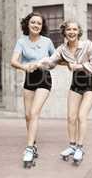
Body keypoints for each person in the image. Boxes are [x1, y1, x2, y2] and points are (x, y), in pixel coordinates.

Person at [38, 20, 92, 164]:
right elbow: (51, 62)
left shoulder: (87, 45)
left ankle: (80, 147)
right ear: (64, 32)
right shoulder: (61, 49)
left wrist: (76, 66)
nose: (71, 32)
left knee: (81, 115)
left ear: (78, 31)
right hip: (76, 84)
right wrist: (37, 63)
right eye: (68, 30)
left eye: (74, 29)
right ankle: (72, 146)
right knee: (71, 117)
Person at [11, 12, 55, 168]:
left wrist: (43, 63)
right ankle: (33, 144)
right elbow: (13, 61)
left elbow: (55, 60)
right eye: (33, 22)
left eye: (39, 23)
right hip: (29, 78)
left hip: (44, 78)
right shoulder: (21, 41)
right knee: (28, 116)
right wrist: (24, 66)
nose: (36, 25)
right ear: (27, 24)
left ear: (42, 27)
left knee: (35, 112)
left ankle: (28, 149)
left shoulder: (47, 42)